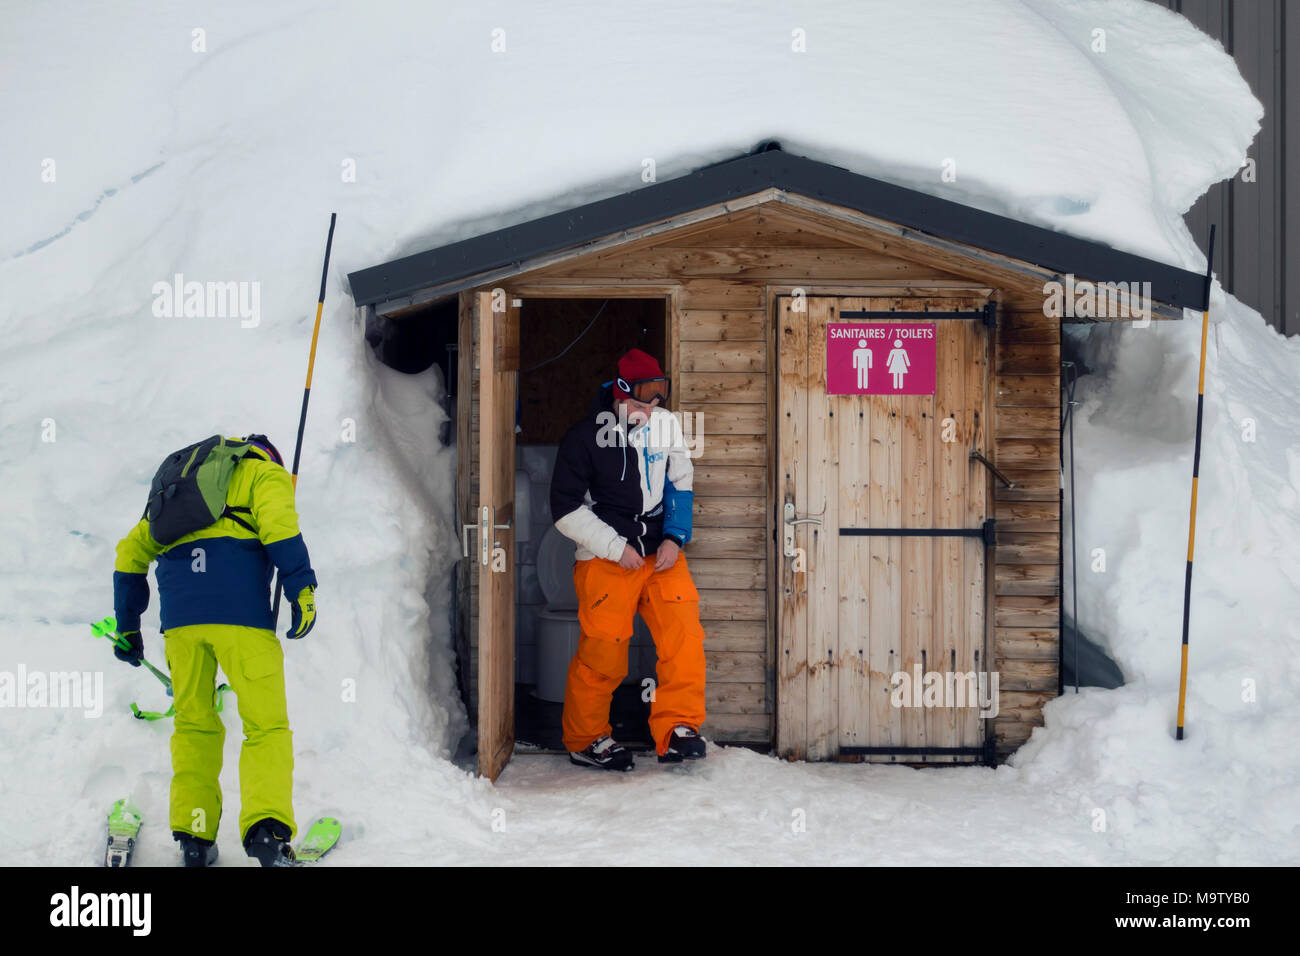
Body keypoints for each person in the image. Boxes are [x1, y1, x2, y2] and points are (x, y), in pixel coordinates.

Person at [112, 434, 317, 866]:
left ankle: (195, 838)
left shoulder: (181, 490)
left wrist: (129, 626)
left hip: (182, 623)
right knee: (265, 727)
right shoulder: (264, 472)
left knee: (194, 725)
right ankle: (265, 835)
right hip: (241, 615)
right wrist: (301, 587)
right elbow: (279, 525)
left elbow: (131, 552)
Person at [550, 348, 707, 771]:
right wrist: (616, 548)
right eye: (641, 400)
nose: (652, 408)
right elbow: (565, 509)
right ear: (619, 395)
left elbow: (680, 480)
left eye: (658, 398)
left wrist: (675, 537)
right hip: (608, 557)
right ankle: (587, 739)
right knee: (603, 651)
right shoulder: (585, 437)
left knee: (684, 637)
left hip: (661, 555)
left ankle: (677, 728)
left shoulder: (666, 426)